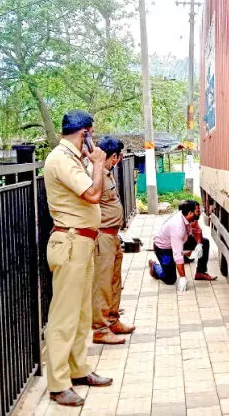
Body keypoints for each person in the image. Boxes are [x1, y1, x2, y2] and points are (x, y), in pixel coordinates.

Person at [43, 110, 113, 407]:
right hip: (70, 243)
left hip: (82, 242)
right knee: (63, 317)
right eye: (91, 133)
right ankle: (58, 384)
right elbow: (93, 194)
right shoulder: (60, 158)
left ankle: (78, 369)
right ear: (84, 132)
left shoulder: (73, 158)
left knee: (82, 314)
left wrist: (90, 161)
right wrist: (98, 163)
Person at [91, 136, 135, 345]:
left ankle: (112, 319)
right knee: (102, 283)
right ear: (114, 156)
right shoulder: (95, 173)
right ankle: (100, 329)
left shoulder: (107, 173)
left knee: (115, 281)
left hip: (113, 235)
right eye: (118, 156)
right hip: (102, 236)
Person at [149, 199, 216, 290]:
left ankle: (200, 272)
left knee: (205, 242)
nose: (200, 212)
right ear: (190, 213)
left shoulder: (190, 218)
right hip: (164, 248)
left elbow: (198, 231)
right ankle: (154, 266)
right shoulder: (178, 227)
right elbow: (178, 255)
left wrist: (199, 244)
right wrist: (183, 278)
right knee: (170, 279)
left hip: (180, 241)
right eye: (197, 211)